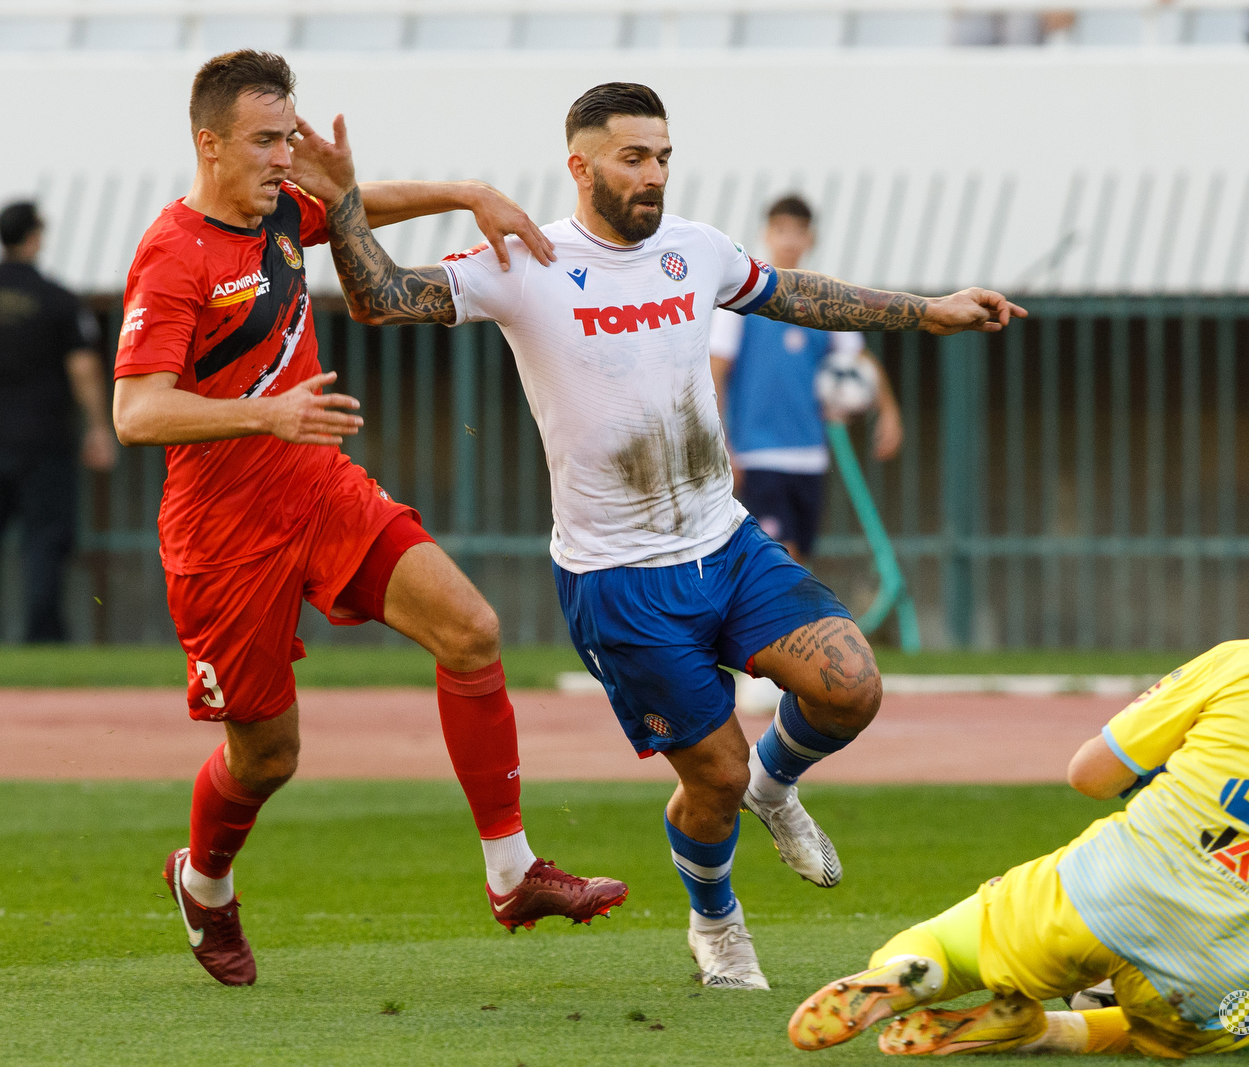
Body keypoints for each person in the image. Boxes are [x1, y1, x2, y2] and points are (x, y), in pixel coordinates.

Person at [291, 81, 1025, 990]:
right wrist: (343, 201)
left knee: (851, 685)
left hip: (725, 543)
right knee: (710, 775)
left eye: (664, 156)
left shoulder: (696, 251)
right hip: (620, 580)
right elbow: (384, 298)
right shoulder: (527, 258)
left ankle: (777, 783)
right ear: (581, 165)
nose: (654, 175)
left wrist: (927, 309)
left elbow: (791, 291)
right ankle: (716, 922)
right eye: (634, 158)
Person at [110, 51, 626, 988]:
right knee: (267, 756)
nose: (284, 156)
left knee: (471, 630)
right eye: (267, 141)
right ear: (209, 142)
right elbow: (136, 412)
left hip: (320, 489)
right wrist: (265, 412)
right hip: (223, 537)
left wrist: (471, 192)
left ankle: (512, 875)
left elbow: (359, 204)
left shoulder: (282, 212)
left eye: (290, 136)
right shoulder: (171, 254)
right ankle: (206, 881)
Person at [790, 539, 1249, 1057]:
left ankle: (917, 970)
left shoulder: (1248, 660)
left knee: (948, 941)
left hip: (1096, 893)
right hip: (1197, 972)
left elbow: (1089, 774)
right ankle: (1047, 1031)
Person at [0, 201, 115, 643]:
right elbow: (82, 369)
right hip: (44, 442)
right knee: (45, 546)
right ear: (34, 235)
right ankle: (43, 638)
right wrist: (97, 427)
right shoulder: (57, 299)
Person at [709, 195, 902, 564]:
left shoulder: (823, 301)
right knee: (779, 563)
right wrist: (722, 445)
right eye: (781, 231)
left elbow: (858, 359)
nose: (789, 241)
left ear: (811, 239)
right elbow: (715, 373)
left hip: (810, 456)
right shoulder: (742, 299)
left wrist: (889, 411)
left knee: (799, 564)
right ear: (766, 234)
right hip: (759, 454)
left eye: (798, 232)